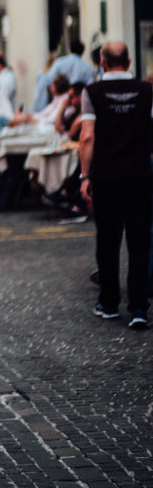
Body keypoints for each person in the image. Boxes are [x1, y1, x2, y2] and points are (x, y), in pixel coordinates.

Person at [77, 41, 151, 329]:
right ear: (129, 61)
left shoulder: (92, 92)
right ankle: (138, 308)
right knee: (139, 242)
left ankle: (109, 303)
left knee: (107, 240)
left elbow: (86, 136)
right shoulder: (147, 90)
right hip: (139, 175)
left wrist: (85, 176)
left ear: (102, 63)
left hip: (106, 176)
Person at [0, 52, 18, 121]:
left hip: (6, 115)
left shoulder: (4, 79)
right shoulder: (7, 75)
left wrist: (10, 118)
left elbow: (3, 99)